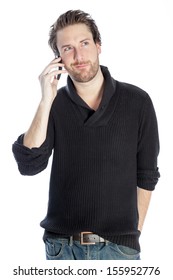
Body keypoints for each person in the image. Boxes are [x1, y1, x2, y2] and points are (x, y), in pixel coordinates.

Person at [12, 9, 160, 260]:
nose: (79, 55)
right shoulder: (54, 105)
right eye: (67, 48)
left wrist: (132, 237)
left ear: (98, 45)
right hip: (62, 248)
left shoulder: (137, 101)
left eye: (84, 43)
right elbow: (29, 165)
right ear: (58, 58)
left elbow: (146, 175)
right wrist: (46, 99)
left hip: (118, 249)